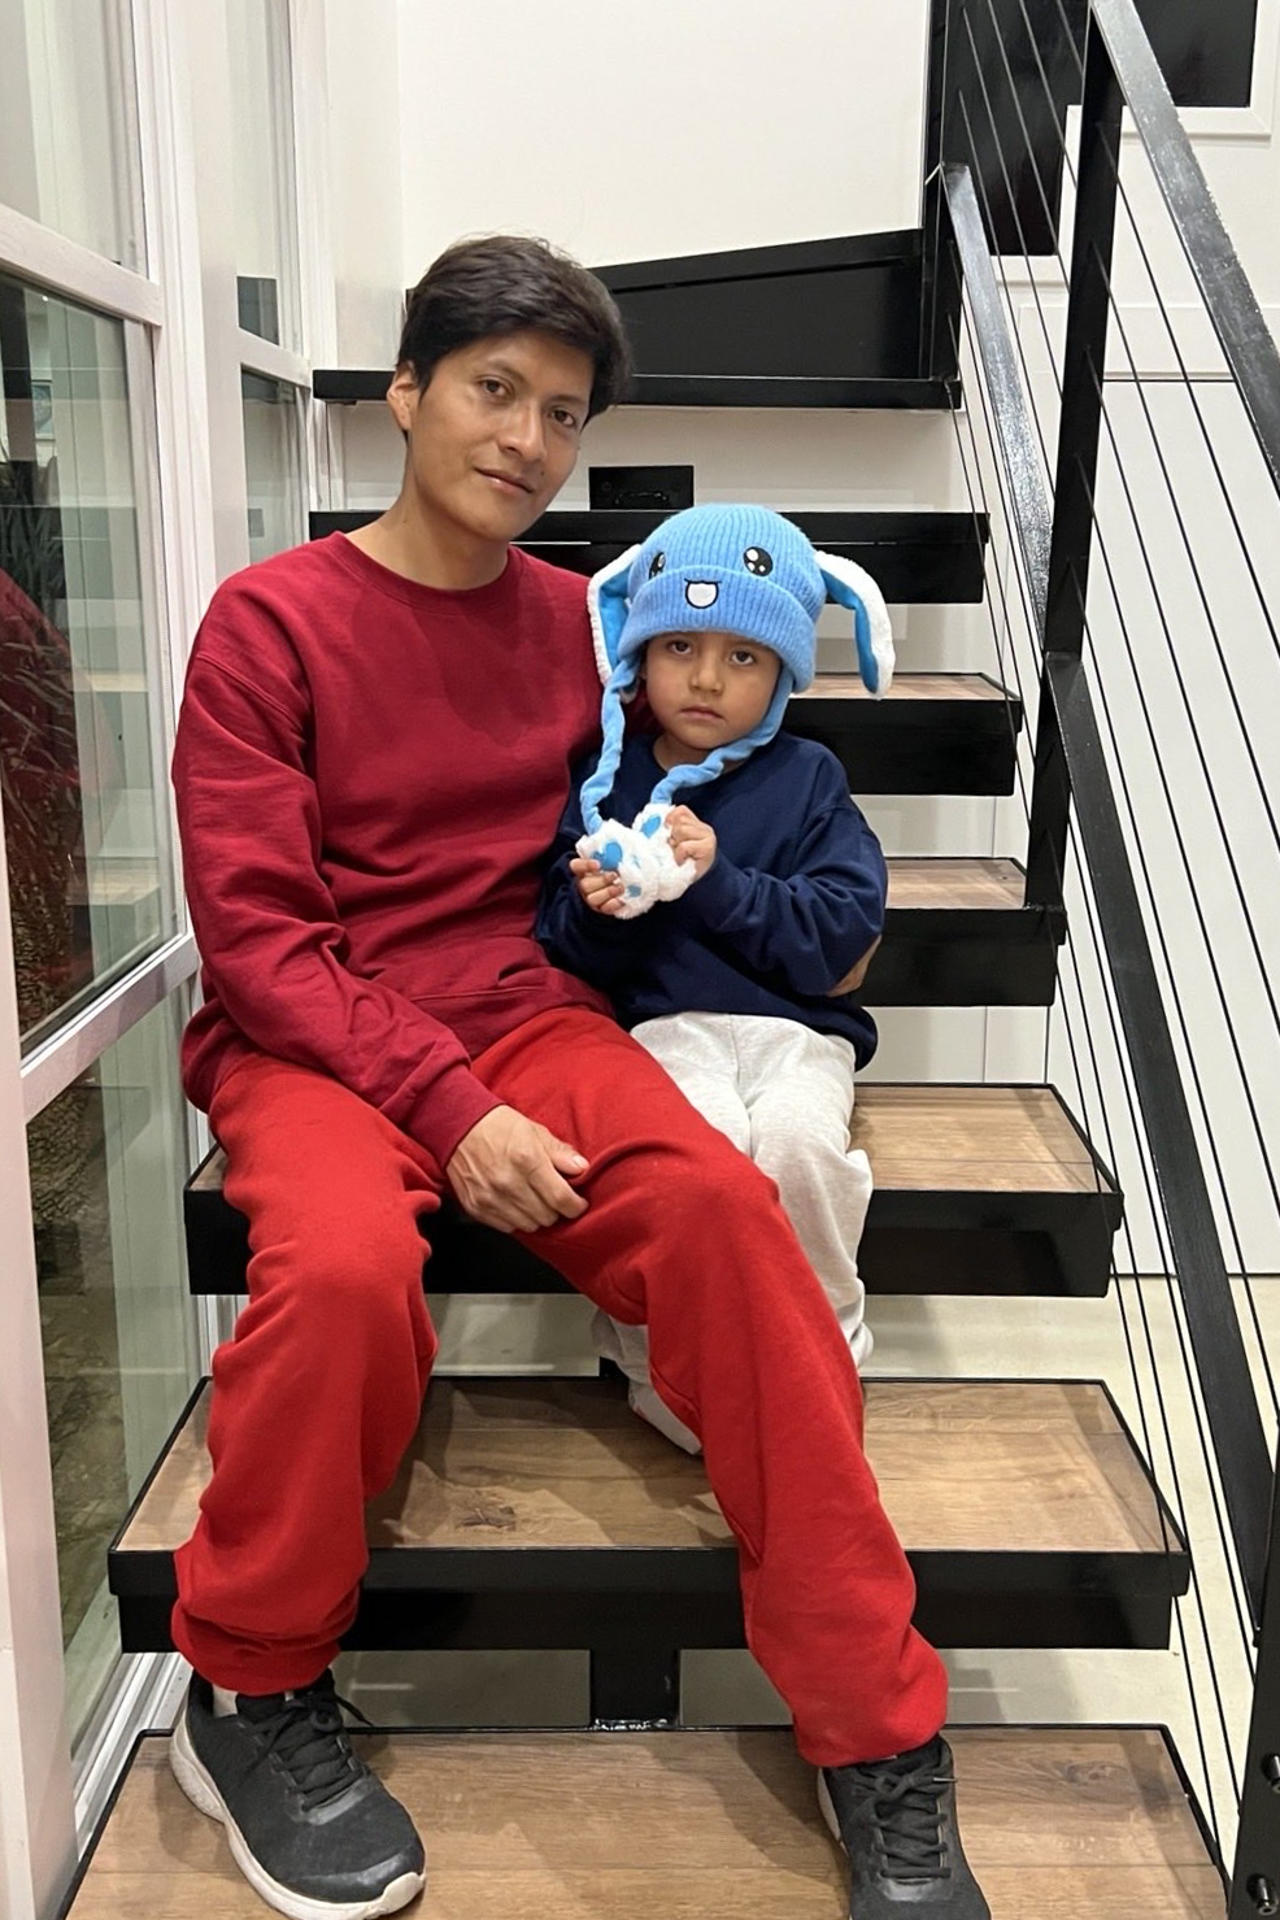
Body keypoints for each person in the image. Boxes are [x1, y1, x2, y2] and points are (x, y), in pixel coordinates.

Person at [168, 232, 989, 1920]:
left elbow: (725, 742)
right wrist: (450, 1112)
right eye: (494, 390)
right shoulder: (268, 623)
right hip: (313, 1032)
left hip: (533, 1011)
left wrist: (768, 921)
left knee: (728, 1217)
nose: (527, 439)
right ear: (404, 392)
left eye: (562, 413)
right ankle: (247, 1684)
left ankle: (876, 1725)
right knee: (343, 1274)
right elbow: (258, 940)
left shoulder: (588, 629)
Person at [537, 504, 889, 1453]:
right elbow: (562, 945)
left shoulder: (809, 777)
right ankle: (664, 1360)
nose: (704, 678)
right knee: (697, 1161)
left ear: (782, 673)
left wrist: (718, 879)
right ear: (638, 656)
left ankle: (822, 1347)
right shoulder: (602, 785)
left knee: (797, 1149)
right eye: (680, 646)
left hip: (799, 1036)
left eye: (744, 656)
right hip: (662, 1031)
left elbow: (839, 936)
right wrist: (602, 907)